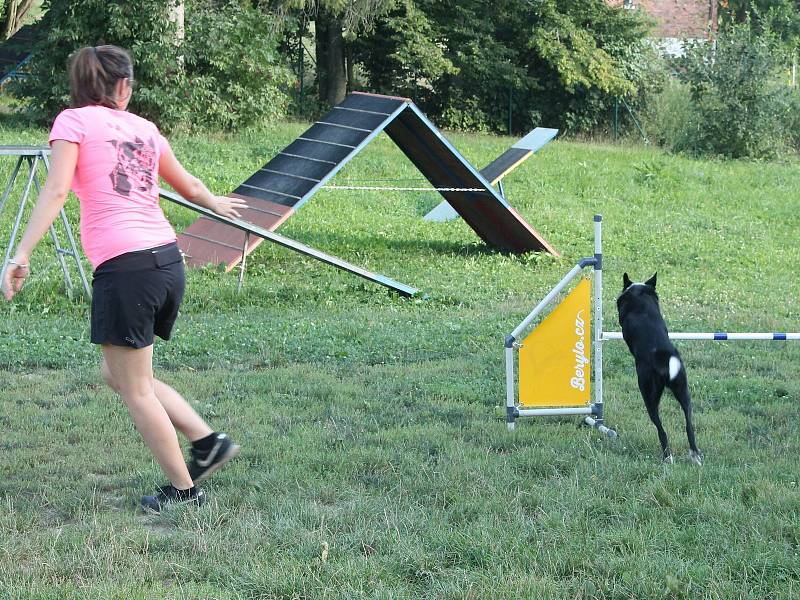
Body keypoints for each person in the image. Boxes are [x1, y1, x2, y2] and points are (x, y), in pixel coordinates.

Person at [1, 45, 244, 513]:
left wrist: (22, 252)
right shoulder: (145, 129)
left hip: (127, 266)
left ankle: (185, 491)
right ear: (122, 86)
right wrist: (217, 203)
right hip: (166, 261)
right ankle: (207, 441)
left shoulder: (72, 122)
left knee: (134, 387)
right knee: (120, 374)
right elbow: (187, 184)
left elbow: (55, 190)